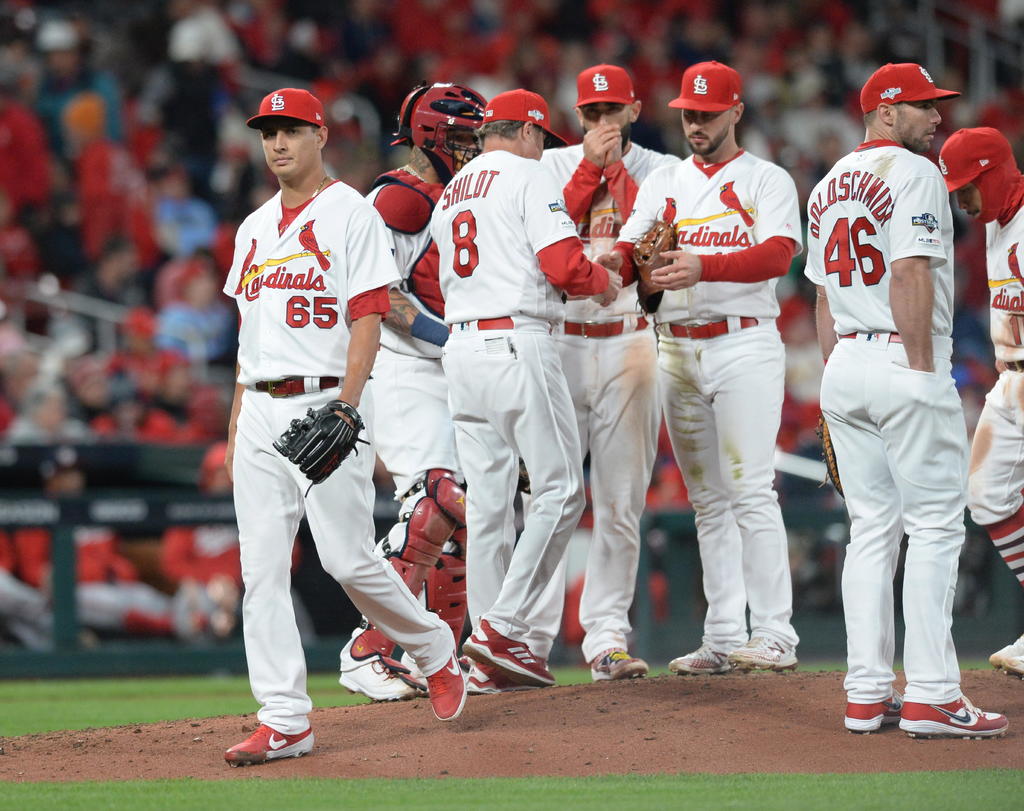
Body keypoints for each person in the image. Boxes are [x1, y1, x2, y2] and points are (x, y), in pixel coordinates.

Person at [221, 87, 466, 767]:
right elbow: (247, 341)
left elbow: (369, 316)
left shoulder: (351, 214)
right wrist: (235, 429)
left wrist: (349, 406)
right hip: (260, 407)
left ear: (320, 136)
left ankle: (432, 646)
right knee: (260, 572)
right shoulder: (251, 228)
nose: (278, 143)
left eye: (291, 130)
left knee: (347, 559)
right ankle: (284, 719)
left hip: (327, 400)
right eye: (268, 132)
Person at [806, 63, 1007, 738]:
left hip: (845, 362)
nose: (938, 117)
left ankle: (865, 693)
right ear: (886, 112)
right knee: (937, 527)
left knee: (871, 529)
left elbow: (823, 296)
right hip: (903, 357)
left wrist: (838, 374)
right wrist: (923, 371)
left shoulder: (828, 182)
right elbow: (910, 270)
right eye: (924, 106)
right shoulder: (915, 172)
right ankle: (933, 693)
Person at [613, 61, 801, 675]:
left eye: (708, 114)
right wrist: (615, 264)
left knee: (750, 490)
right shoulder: (664, 181)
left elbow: (778, 254)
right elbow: (630, 248)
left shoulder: (765, 179)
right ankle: (722, 635)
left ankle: (774, 632)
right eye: (689, 114)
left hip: (743, 344)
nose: (696, 124)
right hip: (675, 347)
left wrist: (705, 266)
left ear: (735, 112)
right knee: (708, 501)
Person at [430, 88, 621, 688]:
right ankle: (502, 629)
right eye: (542, 139)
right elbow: (564, 266)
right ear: (530, 132)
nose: (543, 149)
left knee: (490, 508)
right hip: (515, 342)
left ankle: (488, 660)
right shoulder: (528, 175)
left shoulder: (451, 191)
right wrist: (605, 280)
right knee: (561, 490)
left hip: (461, 350)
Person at [337, 81, 486, 702]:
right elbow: (384, 298)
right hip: (403, 366)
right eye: (463, 137)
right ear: (429, 137)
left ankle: (440, 657)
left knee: (463, 518)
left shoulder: (465, 194)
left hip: (452, 368)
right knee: (434, 500)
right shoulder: (397, 199)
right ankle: (366, 646)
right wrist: (450, 339)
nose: (473, 147)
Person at [534, 64, 680, 682]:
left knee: (621, 501)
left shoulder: (663, 170)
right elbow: (547, 244)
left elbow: (652, 247)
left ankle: (607, 638)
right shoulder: (549, 167)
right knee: (549, 497)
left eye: (611, 111)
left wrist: (615, 172)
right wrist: (590, 169)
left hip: (630, 340)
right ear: (577, 115)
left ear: (634, 110)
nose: (601, 122)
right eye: (591, 112)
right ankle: (531, 639)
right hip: (562, 340)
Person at [939, 127, 1024, 680]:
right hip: (1011, 378)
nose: (962, 201)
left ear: (994, 174)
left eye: (968, 187)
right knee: (987, 495)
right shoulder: (995, 225)